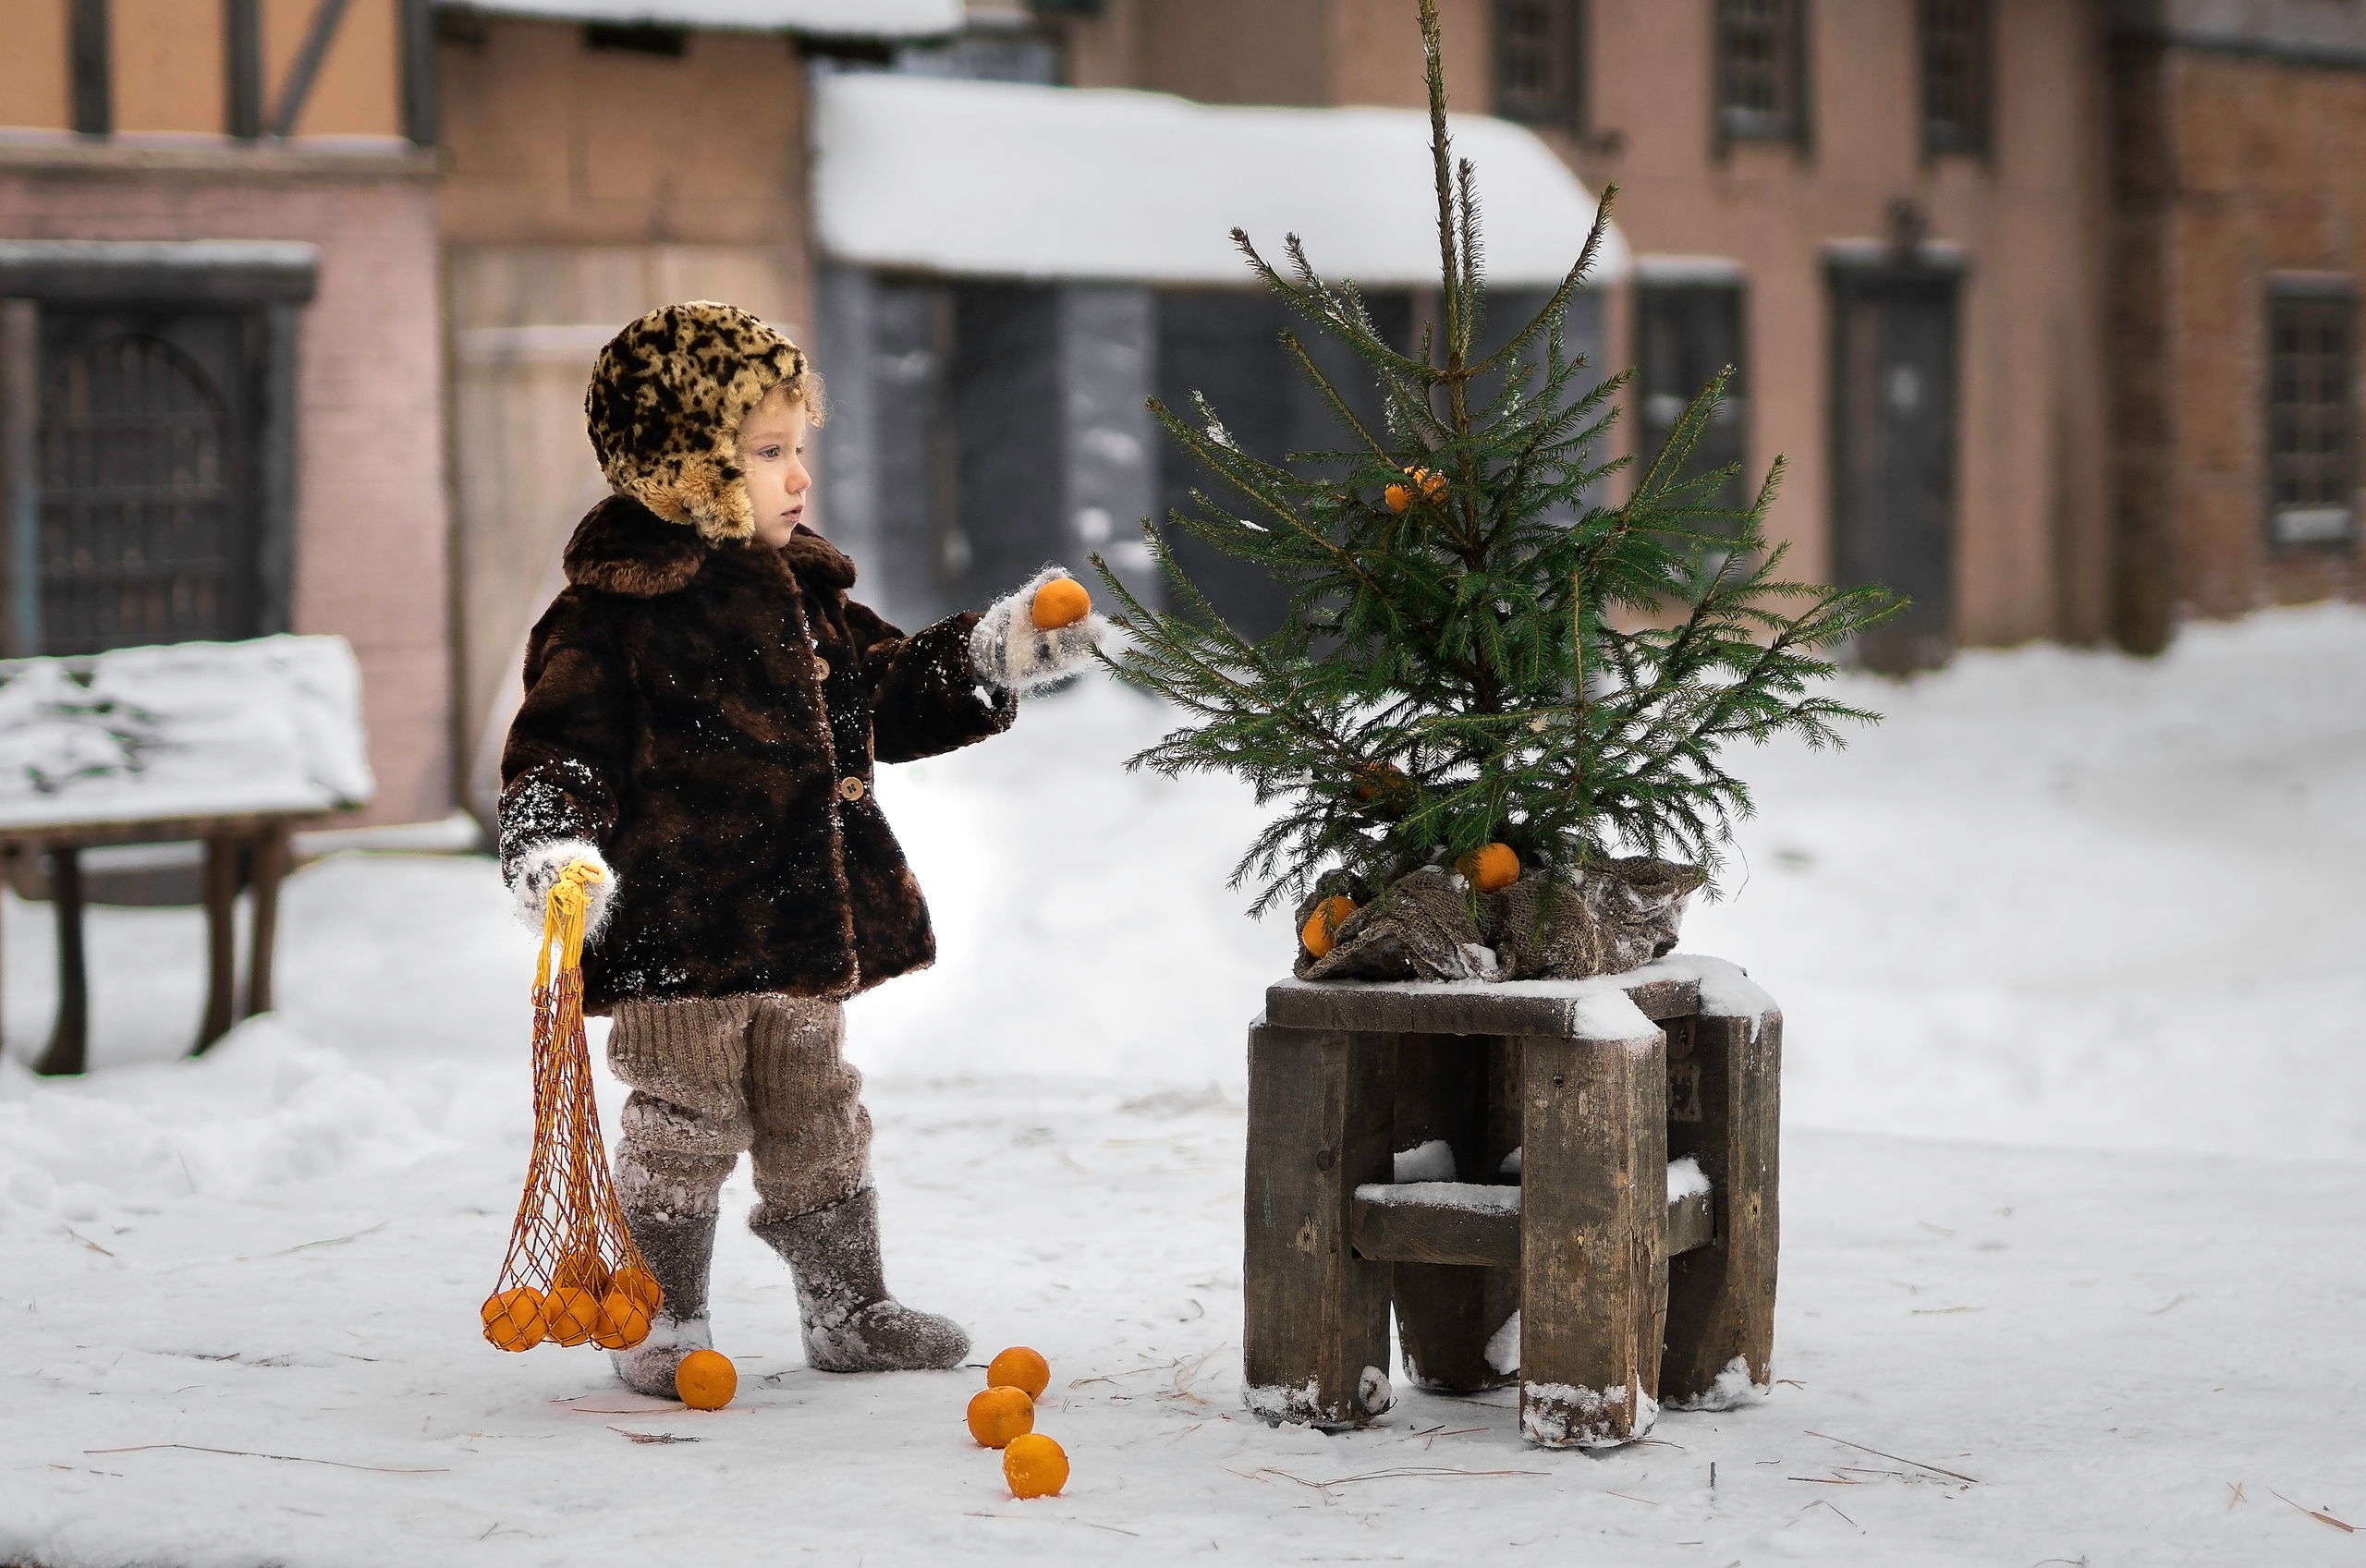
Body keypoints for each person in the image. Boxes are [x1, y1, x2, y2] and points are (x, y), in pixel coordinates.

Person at [498, 300, 1103, 1396]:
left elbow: (885, 691)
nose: (798, 476)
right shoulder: (612, 618)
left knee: (818, 1110)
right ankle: (662, 1313)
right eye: (769, 453)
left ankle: (848, 1305)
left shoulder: (808, 600)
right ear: (682, 468)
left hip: (801, 922)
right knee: (684, 1122)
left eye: (797, 450)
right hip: (685, 937)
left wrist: (991, 652)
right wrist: (551, 845)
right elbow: (559, 750)